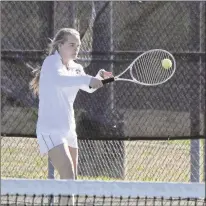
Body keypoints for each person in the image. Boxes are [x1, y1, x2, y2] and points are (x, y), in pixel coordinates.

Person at [30, 28, 113, 205]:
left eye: (78, 46)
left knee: (71, 180)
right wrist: (87, 79)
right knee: (67, 173)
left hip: (69, 130)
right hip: (50, 129)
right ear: (60, 45)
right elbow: (61, 80)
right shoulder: (51, 62)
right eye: (71, 45)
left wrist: (101, 78)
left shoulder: (76, 68)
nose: (76, 49)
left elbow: (89, 86)